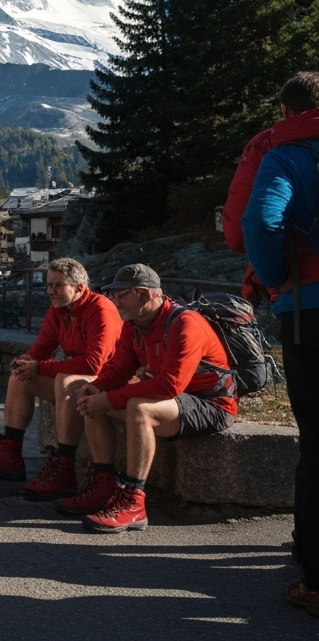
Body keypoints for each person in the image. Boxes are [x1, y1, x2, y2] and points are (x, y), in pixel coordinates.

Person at [63, 264, 237, 533]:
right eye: (113, 294)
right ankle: (104, 486)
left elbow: (170, 385)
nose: (114, 300)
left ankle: (133, 502)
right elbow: (120, 368)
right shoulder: (134, 325)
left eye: (121, 294)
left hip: (211, 404)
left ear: (144, 294)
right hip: (175, 401)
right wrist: (97, 388)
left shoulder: (185, 323)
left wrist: (110, 398)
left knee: (138, 408)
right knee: (93, 402)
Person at [241, 95, 319, 617]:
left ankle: (315, 580)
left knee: (317, 443)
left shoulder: (285, 152)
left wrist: (273, 279)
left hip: (309, 310)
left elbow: (260, 221)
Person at [0, 257, 121, 500]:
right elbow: (43, 346)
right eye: (49, 285)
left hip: (106, 381)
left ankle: (64, 466)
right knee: (20, 377)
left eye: (58, 286)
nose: (51, 291)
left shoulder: (100, 309)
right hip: (81, 380)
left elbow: (94, 363)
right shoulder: (60, 309)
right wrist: (26, 361)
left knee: (65, 381)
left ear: (79, 288)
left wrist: (40, 366)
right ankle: (10, 456)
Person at [223, 72, 319, 304]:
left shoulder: (272, 150)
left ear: (286, 110)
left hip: (304, 290)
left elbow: (248, 228)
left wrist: (272, 277)